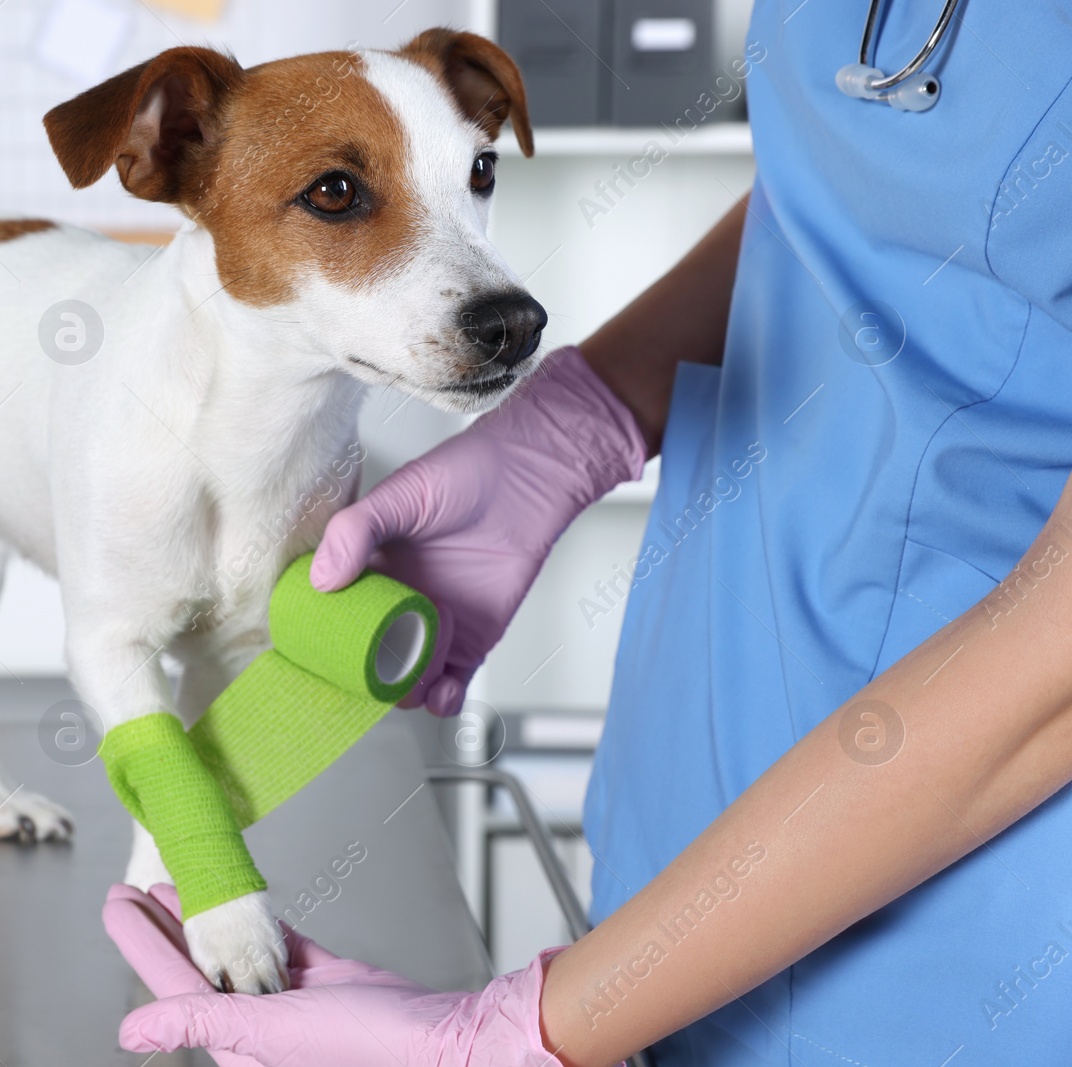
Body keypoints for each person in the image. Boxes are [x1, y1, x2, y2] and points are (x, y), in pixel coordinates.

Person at [102, 2, 1072, 1063]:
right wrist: (582, 416)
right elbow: (865, 196)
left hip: (986, 943)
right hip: (695, 795)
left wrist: (525, 1027)